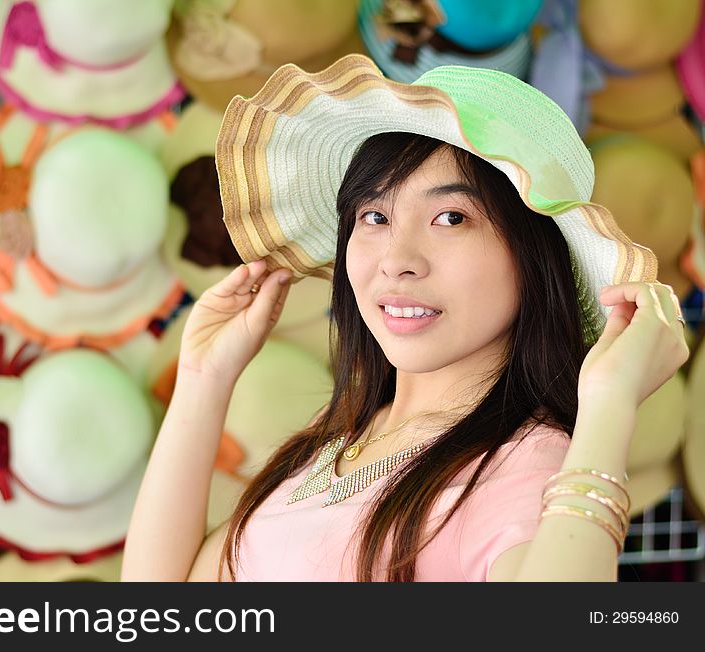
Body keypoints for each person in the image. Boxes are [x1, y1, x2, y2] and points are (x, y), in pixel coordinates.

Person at [121, 55, 689, 582]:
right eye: (374, 215)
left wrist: (608, 403)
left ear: (534, 257)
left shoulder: (525, 465)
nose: (397, 261)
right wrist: (202, 380)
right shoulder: (339, 438)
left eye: (449, 217)